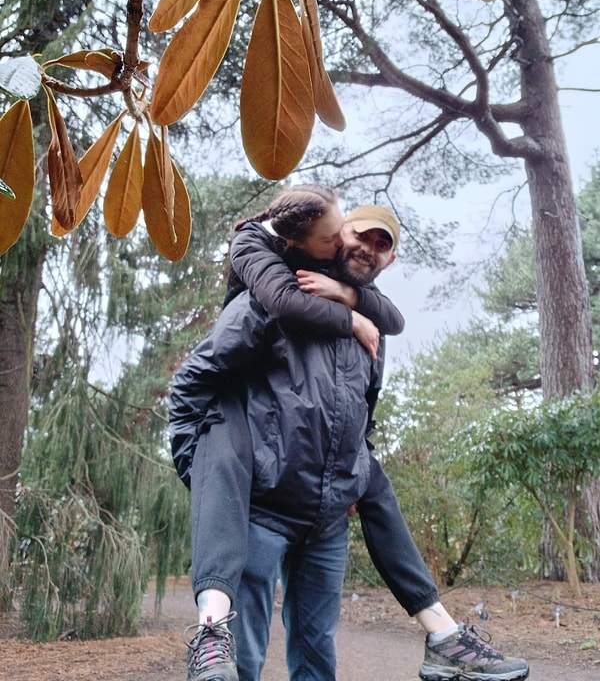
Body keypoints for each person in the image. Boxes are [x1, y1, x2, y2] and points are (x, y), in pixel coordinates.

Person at [169, 187, 529, 681]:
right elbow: (194, 380)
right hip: (261, 511)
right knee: (238, 660)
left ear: (391, 257)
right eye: (362, 235)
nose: (368, 249)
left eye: (382, 245)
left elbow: (364, 414)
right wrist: (204, 468)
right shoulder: (271, 299)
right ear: (340, 235)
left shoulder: (372, 330)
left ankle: (445, 639)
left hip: (326, 523)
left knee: (317, 653)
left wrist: (354, 470)